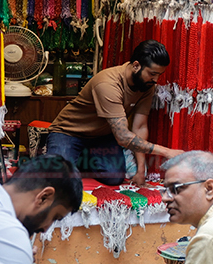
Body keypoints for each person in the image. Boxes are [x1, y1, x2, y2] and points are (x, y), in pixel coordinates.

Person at [47, 40, 183, 186]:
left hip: (101, 136)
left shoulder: (146, 85)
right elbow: (123, 137)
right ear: (136, 65)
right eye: (152, 74)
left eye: (159, 74)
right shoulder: (108, 84)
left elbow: (140, 127)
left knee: (114, 178)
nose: (156, 80)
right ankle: (70, 158)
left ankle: (81, 159)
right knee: (60, 181)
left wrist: (140, 171)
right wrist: (167, 152)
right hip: (69, 132)